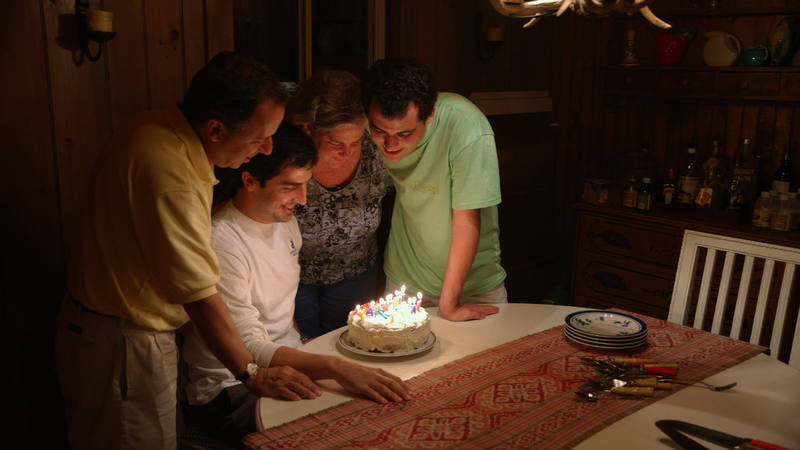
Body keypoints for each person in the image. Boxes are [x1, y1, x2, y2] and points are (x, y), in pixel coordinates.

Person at [54, 52, 320, 450]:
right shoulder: (170, 173)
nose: (267, 148)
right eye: (257, 138)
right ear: (215, 129)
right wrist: (249, 372)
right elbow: (200, 295)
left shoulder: (155, 128)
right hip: (124, 340)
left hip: (111, 330)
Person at [182, 123, 409, 444]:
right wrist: (333, 366)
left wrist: (313, 351)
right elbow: (249, 348)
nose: (302, 200)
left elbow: (280, 311)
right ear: (249, 180)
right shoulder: (222, 240)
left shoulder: (283, 221)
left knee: (379, 404)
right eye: (290, 187)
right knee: (339, 428)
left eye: (305, 185)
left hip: (284, 358)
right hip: (229, 386)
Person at [362, 58, 507, 322]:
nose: (390, 144)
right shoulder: (366, 120)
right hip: (406, 276)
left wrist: (449, 304)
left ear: (430, 115)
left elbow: (466, 220)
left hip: (476, 285)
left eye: (405, 134)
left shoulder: (466, 127)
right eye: (379, 131)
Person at [287, 69, 394, 338]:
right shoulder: (287, 154)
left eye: (355, 142)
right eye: (335, 143)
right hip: (293, 277)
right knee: (305, 351)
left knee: (350, 347)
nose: (347, 153)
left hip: (357, 272)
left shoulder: (377, 151)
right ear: (309, 129)